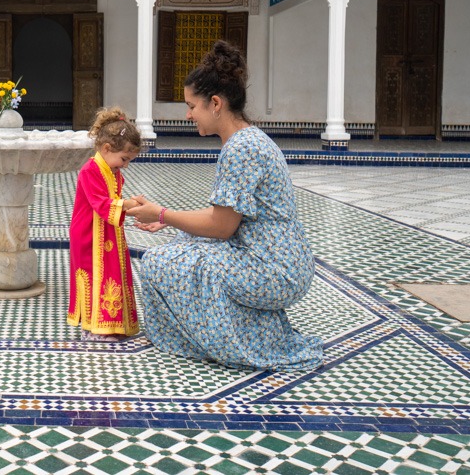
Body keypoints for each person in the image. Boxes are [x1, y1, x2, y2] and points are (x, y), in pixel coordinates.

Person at [127, 40, 323, 372]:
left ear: (215, 103)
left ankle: (218, 341)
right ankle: (243, 333)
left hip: (275, 270)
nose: (188, 115)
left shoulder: (241, 148)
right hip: (277, 259)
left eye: (192, 106)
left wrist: (162, 213)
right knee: (186, 245)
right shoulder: (249, 139)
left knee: (159, 262)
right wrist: (168, 220)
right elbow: (224, 220)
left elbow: (222, 226)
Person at [68, 107, 142, 342]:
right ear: (107, 148)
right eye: (124, 159)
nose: (126, 165)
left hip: (107, 232)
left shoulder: (112, 171)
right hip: (89, 236)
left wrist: (132, 207)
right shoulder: (90, 170)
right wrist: (130, 205)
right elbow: (102, 204)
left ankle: (111, 323)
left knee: (112, 274)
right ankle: (94, 327)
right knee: (94, 276)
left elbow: (113, 204)